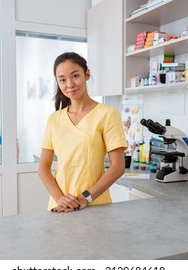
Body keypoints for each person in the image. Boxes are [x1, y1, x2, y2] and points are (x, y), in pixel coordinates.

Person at [38, 52, 127, 213]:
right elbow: (43, 167)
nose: (70, 84)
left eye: (75, 76)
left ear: (87, 74)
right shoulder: (54, 120)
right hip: (60, 207)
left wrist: (84, 198)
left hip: (95, 205)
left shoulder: (107, 114)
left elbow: (118, 167)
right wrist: (61, 199)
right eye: (62, 80)